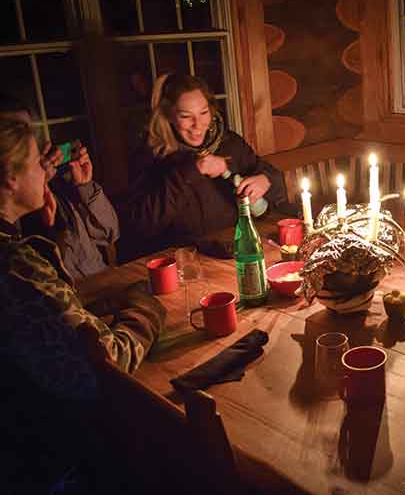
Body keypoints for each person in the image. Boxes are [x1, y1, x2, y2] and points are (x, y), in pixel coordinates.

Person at [0, 116, 165, 399]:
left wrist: (50, 227)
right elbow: (111, 359)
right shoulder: (18, 265)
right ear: (10, 179)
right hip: (61, 429)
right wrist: (147, 310)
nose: (46, 171)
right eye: (38, 163)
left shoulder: (17, 247)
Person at [118, 74, 286, 260]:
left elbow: (276, 184)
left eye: (204, 113)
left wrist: (265, 179)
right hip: (183, 261)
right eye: (185, 116)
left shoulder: (229, 143)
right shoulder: (151, 156)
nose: (198, 125)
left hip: (232, 251)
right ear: (169, 116)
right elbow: (141, 224)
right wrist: (192, 170)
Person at [0, 95, 120, 281]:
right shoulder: (18, 206)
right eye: (17, 134)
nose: (27, 137)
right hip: (76, 294)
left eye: (29, 130)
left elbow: (110, 233)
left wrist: (85, 186)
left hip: (100, 281)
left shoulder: (58, 181)